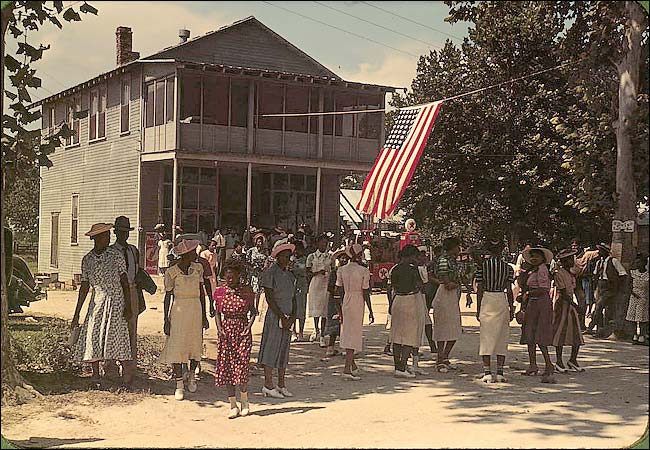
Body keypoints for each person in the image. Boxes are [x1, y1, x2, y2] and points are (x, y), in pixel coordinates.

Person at [71, 223, 133, 387]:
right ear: (95, 238)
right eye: (104, 236)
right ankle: (96, 375)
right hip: (97, 301)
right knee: (94, 335)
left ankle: (126, 376)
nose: (107, 239)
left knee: (118, 335)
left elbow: (124, 282)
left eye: (108, 236)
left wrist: (128, 305)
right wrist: (77, 313)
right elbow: (84, 287)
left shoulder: (115, 255)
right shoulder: (87, 260)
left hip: (116, 300)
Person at [159, 239, 209, 401]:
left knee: (194, 343)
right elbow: (168, 297)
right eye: (193, 252)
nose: (195, 254)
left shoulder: (198, 268)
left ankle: (192, 378)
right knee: (177, 345)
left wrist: (204, 316)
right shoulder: (172, 272)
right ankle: (179, 384)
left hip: (195, 309)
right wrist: (166, 319)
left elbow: (202, 294)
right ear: (185, 255)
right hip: (179, 310)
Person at [214, 260, 257, 418]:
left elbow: (253, 312)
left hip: (242, 331)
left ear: (239, 276)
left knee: (242, 366)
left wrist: (248, 327)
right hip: (226, 332)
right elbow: (217, 313)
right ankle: (233, 405)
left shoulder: (246, 291)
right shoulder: (219, 291)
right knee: (227, 369)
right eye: (228, 277)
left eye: (233, 277)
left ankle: (244, 402)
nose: (230, 280)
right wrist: (219, 329)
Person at [258, 243, 297, 399]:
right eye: (284, 256)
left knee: (284, 350)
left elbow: (294, 297)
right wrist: (281, 315)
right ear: (277, 257)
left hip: (288, 315)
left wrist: (293, 316)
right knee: (271, 348)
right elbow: (269, 297)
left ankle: (281, 384)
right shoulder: (270, 273)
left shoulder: (290, 275)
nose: (287, 259)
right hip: (276, 315)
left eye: (289, 256)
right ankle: (268, 384)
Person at [475, 239, 515, 383]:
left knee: (486, 335)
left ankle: (487, 372)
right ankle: (500, 371)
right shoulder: (507, 268)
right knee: (501, 335)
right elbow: (509, 290)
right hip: (501, 298)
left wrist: (478, 307)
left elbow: (479, 289)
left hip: (487, 298)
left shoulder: (482, 267)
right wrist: (512, 307)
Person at [336, 243, 374, 380]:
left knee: (347, 330)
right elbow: (365, 291)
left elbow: (338, 289)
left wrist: (340, 306)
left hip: (346, 299)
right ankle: (347, 368)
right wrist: (370, 310)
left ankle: (352, 365)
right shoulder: (363, 271)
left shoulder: (341, 270)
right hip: (357, 300)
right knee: (354, 333)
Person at [110, 216, 142, 377]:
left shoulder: (133, 251)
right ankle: (110, 367)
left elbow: (137, 273)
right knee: (113, 329)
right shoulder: (110, 252)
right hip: (116, 292)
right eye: (121, 232)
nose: (124, 235)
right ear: (115, 232)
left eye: (126, 232)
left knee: (131, 330)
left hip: (132, 290)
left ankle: (130, 369)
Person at [518, 246, 556, 383]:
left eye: (537, 256)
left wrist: (528, 293)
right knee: (530, 335)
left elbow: (543, 288)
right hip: (531, 303)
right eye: (532, 256)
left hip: (540, 303)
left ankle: (548, 365)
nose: (534, 258)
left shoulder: (542, 270)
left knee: (539, 335)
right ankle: (532, 365)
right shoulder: (531, 270)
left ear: (543, 259)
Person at [389, 245, 424, 378]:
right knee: (409, 335)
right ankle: (403, 366)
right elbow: (420, 286)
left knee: (397, 335)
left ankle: (397, 366)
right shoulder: (412, 269)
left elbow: (392, 286)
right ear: (411, 256)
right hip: (410, 300)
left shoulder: (395, 269)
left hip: (397, 300)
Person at [432, 238, 463, 373]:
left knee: (454, 326)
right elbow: (447, 283)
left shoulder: (453, 260)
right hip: (445, 294)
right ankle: (440, 357)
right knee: (443, 326)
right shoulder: (444, 260)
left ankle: (444, 356)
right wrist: (457, 284)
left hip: (451, 295)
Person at [552, 248, 586, 373]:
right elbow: (563, 293)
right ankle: (559, 361)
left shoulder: (571, 274)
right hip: (562, 305)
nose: (572, 261)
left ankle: (573, 359)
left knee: (576, 333)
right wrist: (576, 305)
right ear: (564, 261)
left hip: (570, 304)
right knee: (560, 332)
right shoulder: (559, 274)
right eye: (570, 259)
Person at [586, 243, 628, 338]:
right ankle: (600, 330)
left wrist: (617, 287)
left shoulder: (613, 261)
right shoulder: (599, 262)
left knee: (599, 307)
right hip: (600, 287)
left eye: (600, 251)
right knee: (600, 308)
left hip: (609, 287)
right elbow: (595, 274)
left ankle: (591, 327)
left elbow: (623, 274)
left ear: (605, 252)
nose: (598, 252)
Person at [306, 235, 332, 347]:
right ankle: (316, 330)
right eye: (322, 243)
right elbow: (307, 273)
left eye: (325, 243)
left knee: (324, 310)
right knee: (316, 309)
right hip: (315, 284)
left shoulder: (330, 257)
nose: (324, 245)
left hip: (325, 284)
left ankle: (322, 334)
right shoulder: (312, 257)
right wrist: (318, 272)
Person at [570, 239, 600, 330]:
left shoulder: (586, 255)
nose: (574, 247)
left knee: (582, 302)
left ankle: (581, 324)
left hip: (582, 280)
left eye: (576, 246)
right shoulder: (571, 256)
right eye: (573, 246)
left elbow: (598, 252)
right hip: (572, 281)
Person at [323, 249, 348, 358]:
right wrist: (337, 294)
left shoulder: (348, 272)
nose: (343, 259)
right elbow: (330, 288)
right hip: (334, 301)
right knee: (334, 323)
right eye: (341, 258)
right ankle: (330, 347)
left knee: (346, 324)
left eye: (345, 258)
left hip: (346, 299)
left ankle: (344, 347)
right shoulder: (334, 272)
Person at [626, 254, 649, 345]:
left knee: (643, 318)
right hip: (634, 297)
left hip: (644, 298)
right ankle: (634, 335)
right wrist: (633, 293)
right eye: (637, 262)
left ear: (644, 263)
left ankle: (642, 336)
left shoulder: (647, 275)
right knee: (633, 317)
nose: (638, 264)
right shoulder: (633, 273)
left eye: (640, 262)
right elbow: (628, 286)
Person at [247, 233, 270, 320]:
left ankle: (256, 307)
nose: (259, 243)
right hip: (253, 274)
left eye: (261, 241)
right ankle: (252, 307)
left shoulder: (265, 251)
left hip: (261, 274)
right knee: (254, 291)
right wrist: (252, 268)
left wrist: (265, 267)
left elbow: (267, 260)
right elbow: (246, 262)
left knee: (259, 292)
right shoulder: (251, 251)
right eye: (258, 241)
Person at [291, 241, 309, 342]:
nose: (297, 251)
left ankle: (301, 332)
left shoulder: (305, 260)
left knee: (301, 308)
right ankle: (293, 332)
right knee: (293, 309)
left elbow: (306, 271)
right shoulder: (290, 259)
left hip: (302, 284)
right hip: (292, 284)